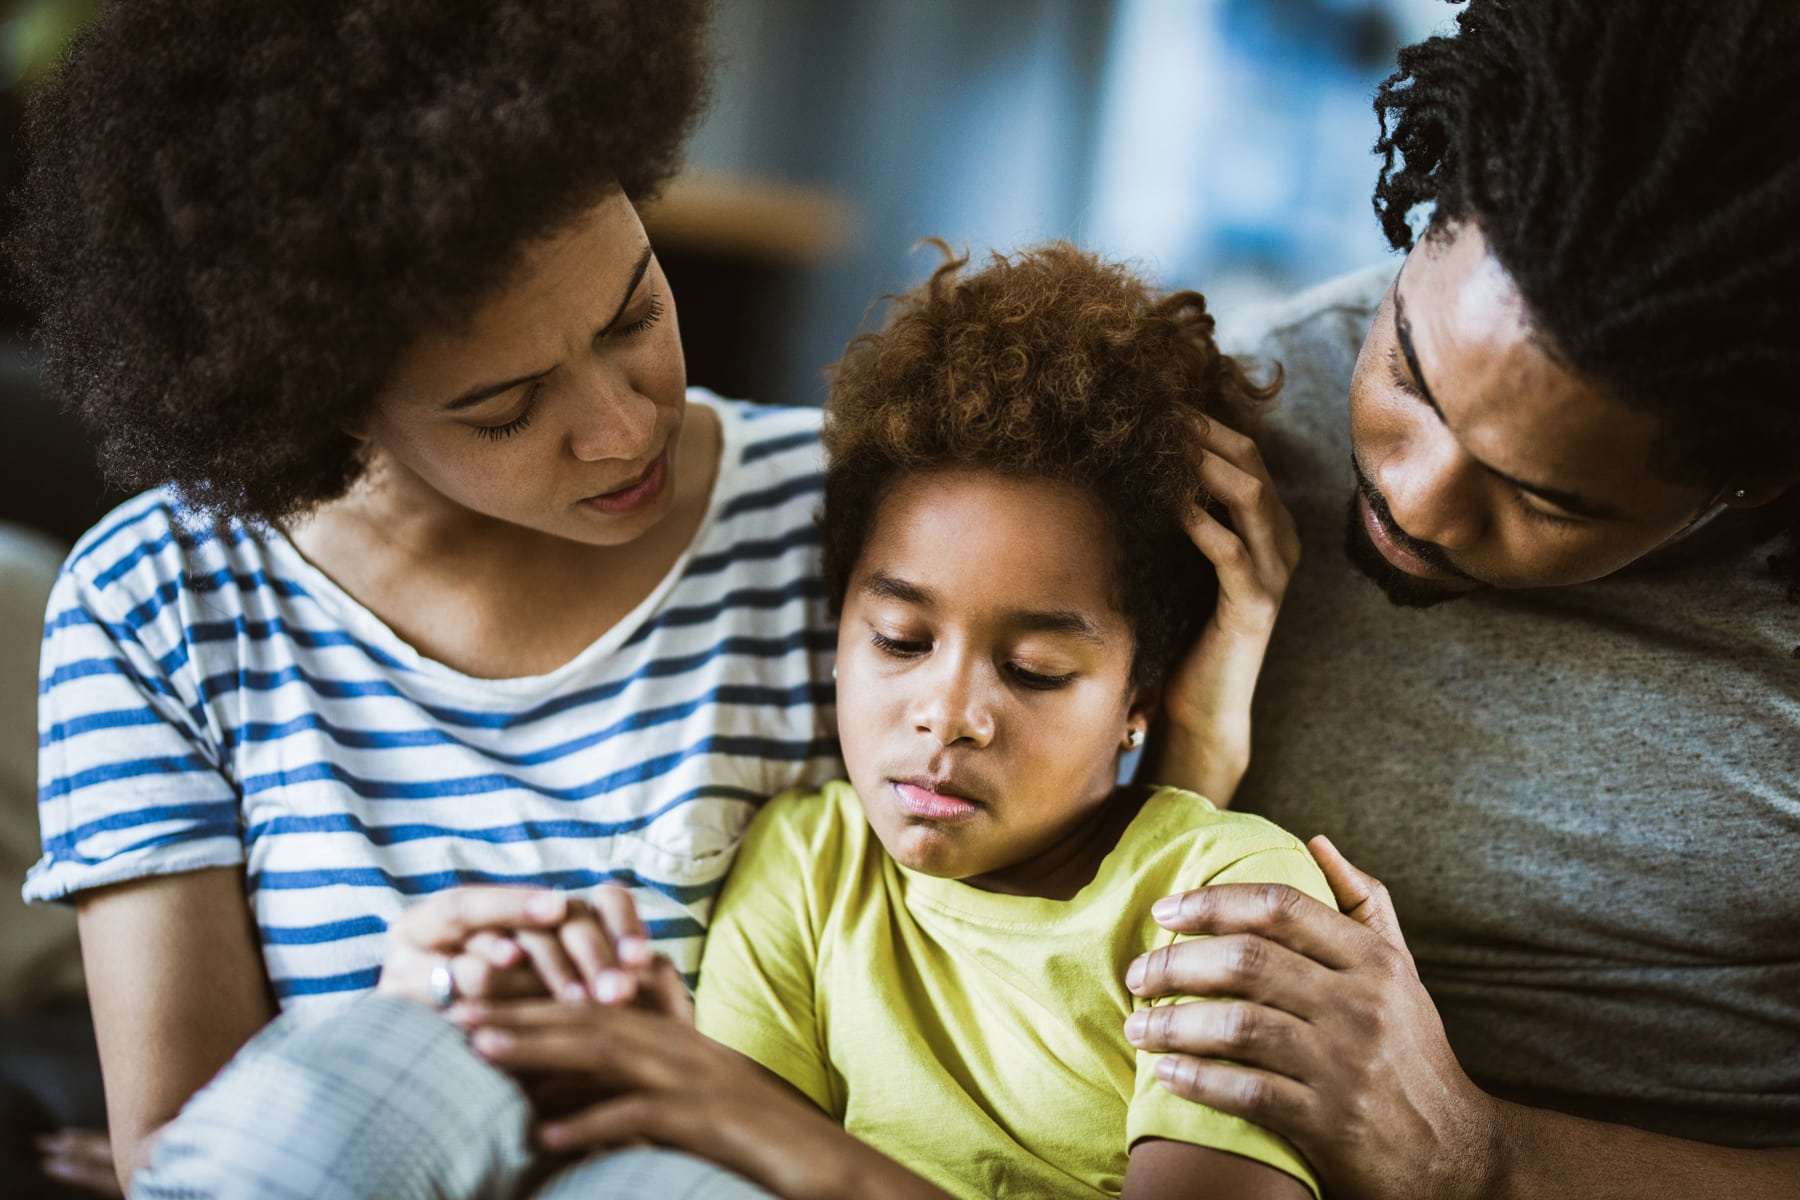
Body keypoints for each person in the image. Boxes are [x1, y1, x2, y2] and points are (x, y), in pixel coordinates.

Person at [9, 3, 1286, 1193]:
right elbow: (187, 1145)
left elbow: (1025, 872)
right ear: (318, 405)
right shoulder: (155, 605)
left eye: (634, 316)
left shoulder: (841, 524)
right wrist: (401, 1017)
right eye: (505, 409)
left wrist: (1196, 726)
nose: (625, 430)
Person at [451, 243, 1321, 1199]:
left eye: (1034, 671)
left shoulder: (1224, 891)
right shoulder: (808, 867)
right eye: (901, 640)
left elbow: (748, 1134)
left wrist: (778, 1137)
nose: (946, 718)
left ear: (1138, 701)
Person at [1121, 3, 1800, 1197]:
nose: (1416, 498)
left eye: (1550, 500)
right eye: (1407, 372)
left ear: (1753, 475)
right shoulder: (1228, 415)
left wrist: (1483, 1157)